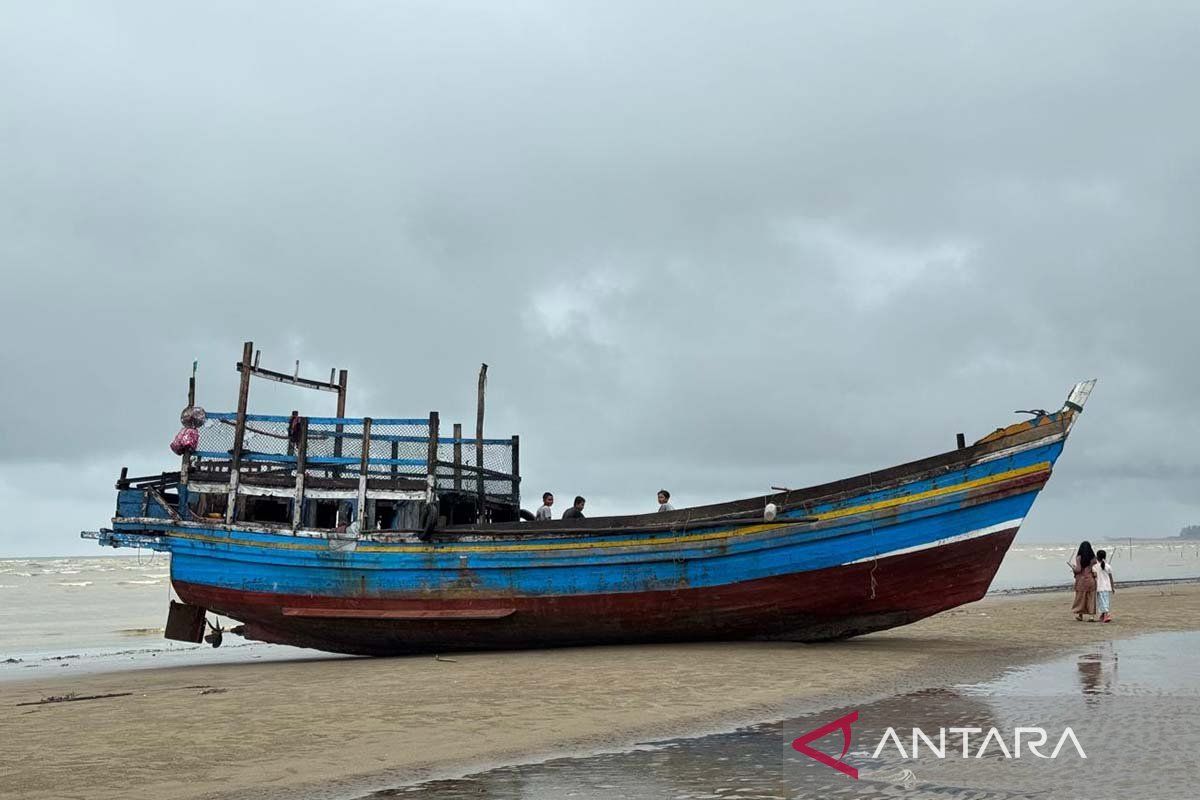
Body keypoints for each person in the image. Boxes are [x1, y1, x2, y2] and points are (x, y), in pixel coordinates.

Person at [1069, 540, 1098, 622]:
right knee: (1091, 598)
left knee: (1081, 598)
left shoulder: (1079, 557)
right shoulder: (1093, 558)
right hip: (1090, 580)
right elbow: (1095, 566)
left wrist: (1073, 568)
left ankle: (1080, 615)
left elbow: (1078, 570)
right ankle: (1091, 616)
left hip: (1081, 581)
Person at [1093, 549, 1116, 623]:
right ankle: (1103, 615)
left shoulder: (1095, 567)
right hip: (1107, 586)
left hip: (1099, 586)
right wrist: (1112, 587)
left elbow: (1094, 576)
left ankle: (1106, 615)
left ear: (1097, 557)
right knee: (1105, 600)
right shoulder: (1108, 566)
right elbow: (1111, 578)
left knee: (1102, 601)